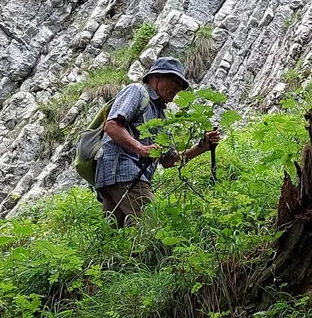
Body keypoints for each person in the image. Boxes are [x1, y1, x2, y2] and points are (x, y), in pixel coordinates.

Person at [94, 55, 223, 226]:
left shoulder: (161, 116)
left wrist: (202, 147)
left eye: (181, 85)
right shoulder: (137, 91)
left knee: (117, 236)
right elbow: (112, 126)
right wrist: (141, 149)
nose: (178, 88)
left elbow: (169, 160)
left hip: (121, 178)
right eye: (175, 80)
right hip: (123, 171)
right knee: (154, 225)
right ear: (157, 77)